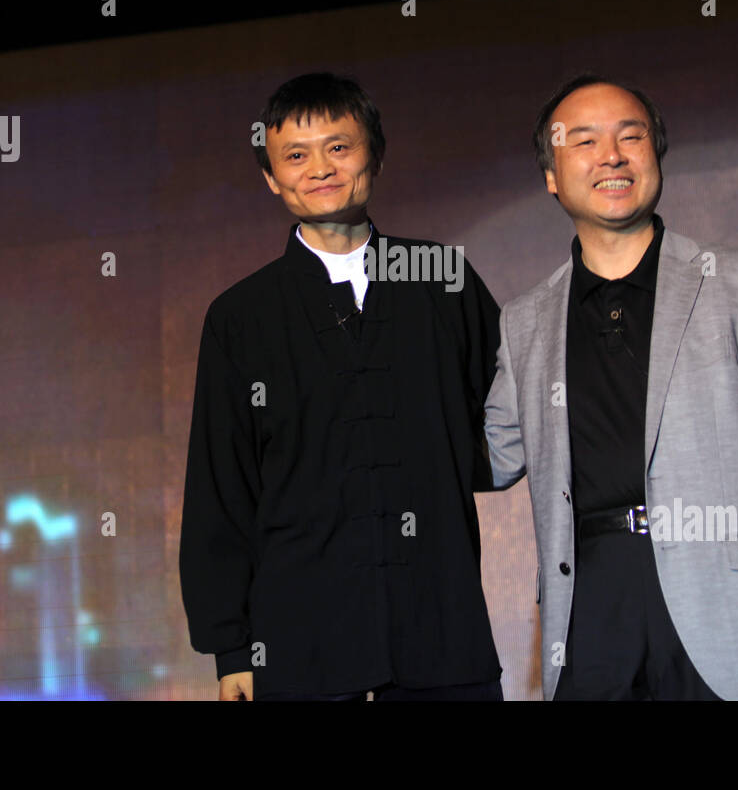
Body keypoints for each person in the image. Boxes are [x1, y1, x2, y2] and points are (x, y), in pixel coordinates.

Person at [485, 73, 738, 700]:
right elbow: (492, 455)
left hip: (728, 599)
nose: (611, 156)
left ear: (655, 154)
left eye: (630, 136)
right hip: (589, 613)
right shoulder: (525, 321)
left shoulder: (737, 281)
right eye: (584, 141)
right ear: (551, 176)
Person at [180, 72, 505, 700]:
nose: (319, 168)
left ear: (375, 153)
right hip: (300, 652)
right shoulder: (239, 317)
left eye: (339, 147)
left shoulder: (443, 279)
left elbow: (513, 419)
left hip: (444, 638)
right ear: (272, 177)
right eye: (295, 156)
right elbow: (221, 487)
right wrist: (232, 648)